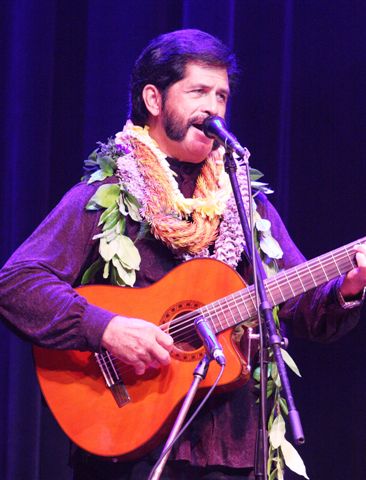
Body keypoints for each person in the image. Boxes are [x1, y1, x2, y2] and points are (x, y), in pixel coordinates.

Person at [0, 29, 366, 480]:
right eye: (198, 92)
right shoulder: (106, 195)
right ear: (154, 99)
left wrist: (350, 283)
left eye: (221, 95)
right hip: (129, 445)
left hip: (228, 450)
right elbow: (17, 284)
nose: (213, 107)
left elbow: (300, 306)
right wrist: (106, 327)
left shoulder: (245, 203)